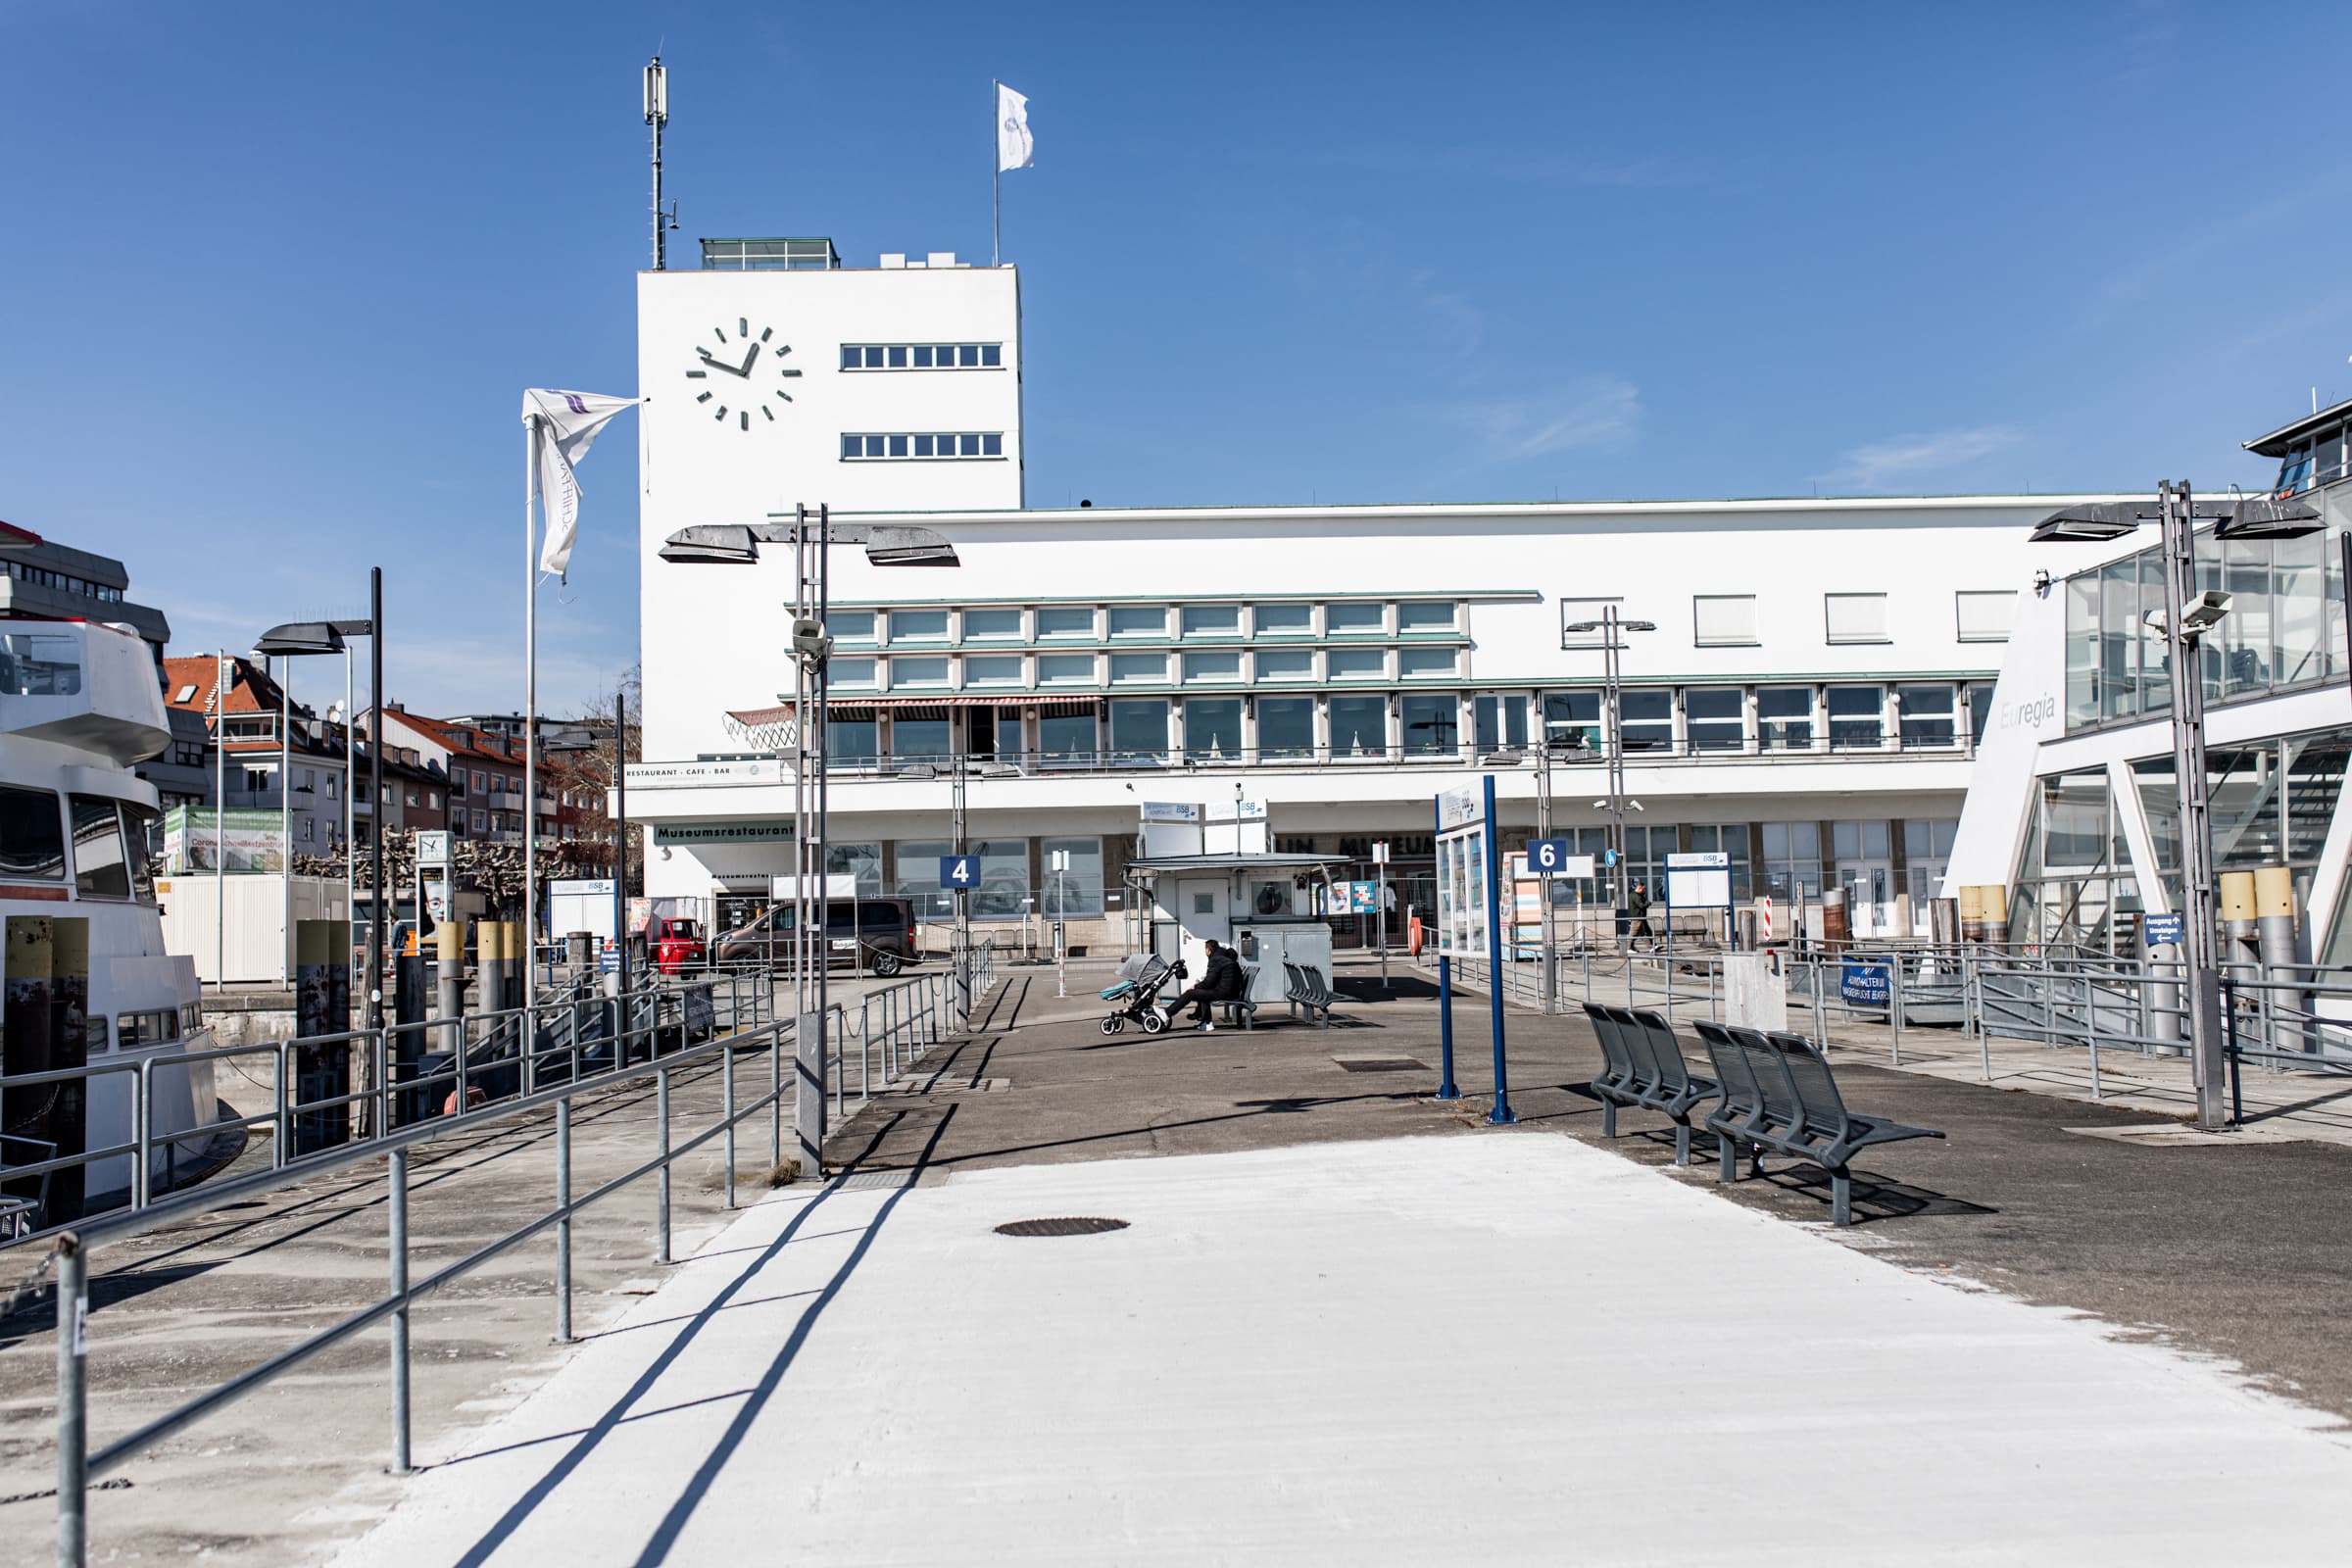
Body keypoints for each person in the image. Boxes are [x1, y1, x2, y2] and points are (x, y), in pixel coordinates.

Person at [1169, 938, 1245, 1031]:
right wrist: (1200, 985)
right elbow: (1214, 979)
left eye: (1205, 949)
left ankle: (1167, 1013)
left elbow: (1209, 982)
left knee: (1190, 993)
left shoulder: (1216, 959)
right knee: (1201, 992)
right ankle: (1203, 1019)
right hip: (1231, 990)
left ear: (1208, 950)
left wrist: (1196, 986)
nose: (1205, 951)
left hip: (1226, 992)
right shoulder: (1223, 957)